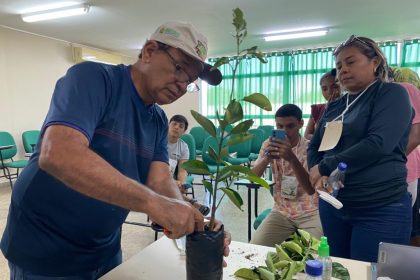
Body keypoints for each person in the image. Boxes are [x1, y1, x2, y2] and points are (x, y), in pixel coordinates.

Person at [1, 21, 231, 279]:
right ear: (149, 51)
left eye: (189, 81)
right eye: (179, 69)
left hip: (104, 248)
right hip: (45, 249)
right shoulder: (94, 79)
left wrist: (189, 217)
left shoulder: (156, 120)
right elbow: (59, 153)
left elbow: (159, 179)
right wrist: (154, 204)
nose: (181, 85)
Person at [308, 35, 413, 262]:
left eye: (350, 62)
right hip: (334, 206)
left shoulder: (391, 94)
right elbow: (315, 144)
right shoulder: (335, 106)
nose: (343, 70)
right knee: (338, 269)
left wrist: (325, 165)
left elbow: (379, 143)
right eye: (338, 66)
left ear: (374, 62)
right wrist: (316, 172)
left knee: (370, 273)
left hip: (380, 207)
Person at [250, 104, 322, 247]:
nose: (285, 131)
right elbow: (252, 178)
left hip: (310, 212)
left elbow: (310, 189)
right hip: (281, 211)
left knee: (315, 257)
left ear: (300, 124)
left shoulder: (310, 148)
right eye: (279, 126)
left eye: (290, 126)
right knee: (255, 246)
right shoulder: (268, 144)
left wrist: (291, 157)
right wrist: (266, 159)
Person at [389, 67, 420, 246]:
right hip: (373, 176)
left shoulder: (406, 89)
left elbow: (416, 135)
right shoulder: (365, 96)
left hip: (403, 169)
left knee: (401, 227)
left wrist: (387, 161)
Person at [168, 114, 210, 215]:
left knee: (173, 188)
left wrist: (182, 183)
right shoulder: (158, 140)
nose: (177, 127)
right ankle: (192, 204)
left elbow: (183, 169)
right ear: (169, 125)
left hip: (170, 178)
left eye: (181, 126)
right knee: (167, 187)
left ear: (184, 131)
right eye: (174, 124)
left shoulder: (183, 146)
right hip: (154, 175)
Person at [304, 69, 341, 140]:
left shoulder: (349, 107)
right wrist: (322, 139)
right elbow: (307, 135)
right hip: (319, 149)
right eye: (324, 89)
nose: (329, 92)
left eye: (334, 87)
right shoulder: (318, 109)